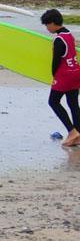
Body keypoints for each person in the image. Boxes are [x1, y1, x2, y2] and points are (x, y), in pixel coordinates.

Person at [41, 9, 80, 146]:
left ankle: (72, 131)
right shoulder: (69, 35)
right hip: (76, 72)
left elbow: (56, 61)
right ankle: (78, 134)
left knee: (53, 101)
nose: (47, 28)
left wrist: (53, 75)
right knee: (73, 104)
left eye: (47, 25)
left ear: (52, 23)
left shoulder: (58, 39)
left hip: (65, 75)